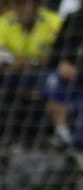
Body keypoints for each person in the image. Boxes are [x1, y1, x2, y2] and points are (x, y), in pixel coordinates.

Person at [0, 0, 61, 147]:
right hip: (12, 74)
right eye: (22, 4)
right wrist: (14, 63)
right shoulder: (4, 22)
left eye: (31, 4)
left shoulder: (53, 21)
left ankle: (48, 137)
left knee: (52, 81)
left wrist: (28, 62)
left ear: (39, 5)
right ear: (15, 6)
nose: (27, 9)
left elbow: (57, 56)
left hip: (42, 73)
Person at [44, 5, 83, 149]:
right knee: (52, 79)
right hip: (72, 77)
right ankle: (62, 133)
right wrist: (62, 63)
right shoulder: (74, 18)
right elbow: (55, 52)